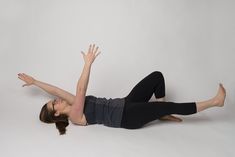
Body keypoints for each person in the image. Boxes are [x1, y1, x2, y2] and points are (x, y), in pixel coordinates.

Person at [18, 44, 226, 135]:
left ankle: (162, 112)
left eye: (54, 99)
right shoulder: (74, 115)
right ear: (56, 112)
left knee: (156, 77)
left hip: (125, 103)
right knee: (171, 105)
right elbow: (81, 90)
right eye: (54, 102)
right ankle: (215, 102)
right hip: (127, 117)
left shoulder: (70, 105)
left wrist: (36, 81)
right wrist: (88, 64)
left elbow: (56, 89)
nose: (57, 99)